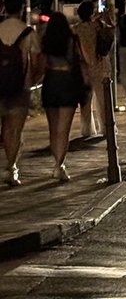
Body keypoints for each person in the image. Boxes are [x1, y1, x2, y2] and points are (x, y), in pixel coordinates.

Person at [40, 11, 89, 182]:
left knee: (53, 128)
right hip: (68, 82)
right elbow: (82, 60)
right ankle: (59, 165)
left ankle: (56, 162)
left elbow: (41, 64)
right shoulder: (72, 39)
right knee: (64, 129)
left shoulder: (46, 41)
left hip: (51, 81)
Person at [0, 0, 42, 187]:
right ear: (21, 8)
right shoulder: (28, 33)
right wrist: (33, 80)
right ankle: (11, 167)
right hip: (20, 88)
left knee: (3, 127)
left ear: (4, 9)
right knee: (14, 130)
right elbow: (36, 62)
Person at [73, 0, 113, 136]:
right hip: (101, 65)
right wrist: (105, 17)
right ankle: (107, 127)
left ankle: (87, 130)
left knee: (85, 101)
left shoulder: (76, 29)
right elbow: (112, 32)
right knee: (103, 99)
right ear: (92, 12)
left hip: (84, 67)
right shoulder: (99, 26)